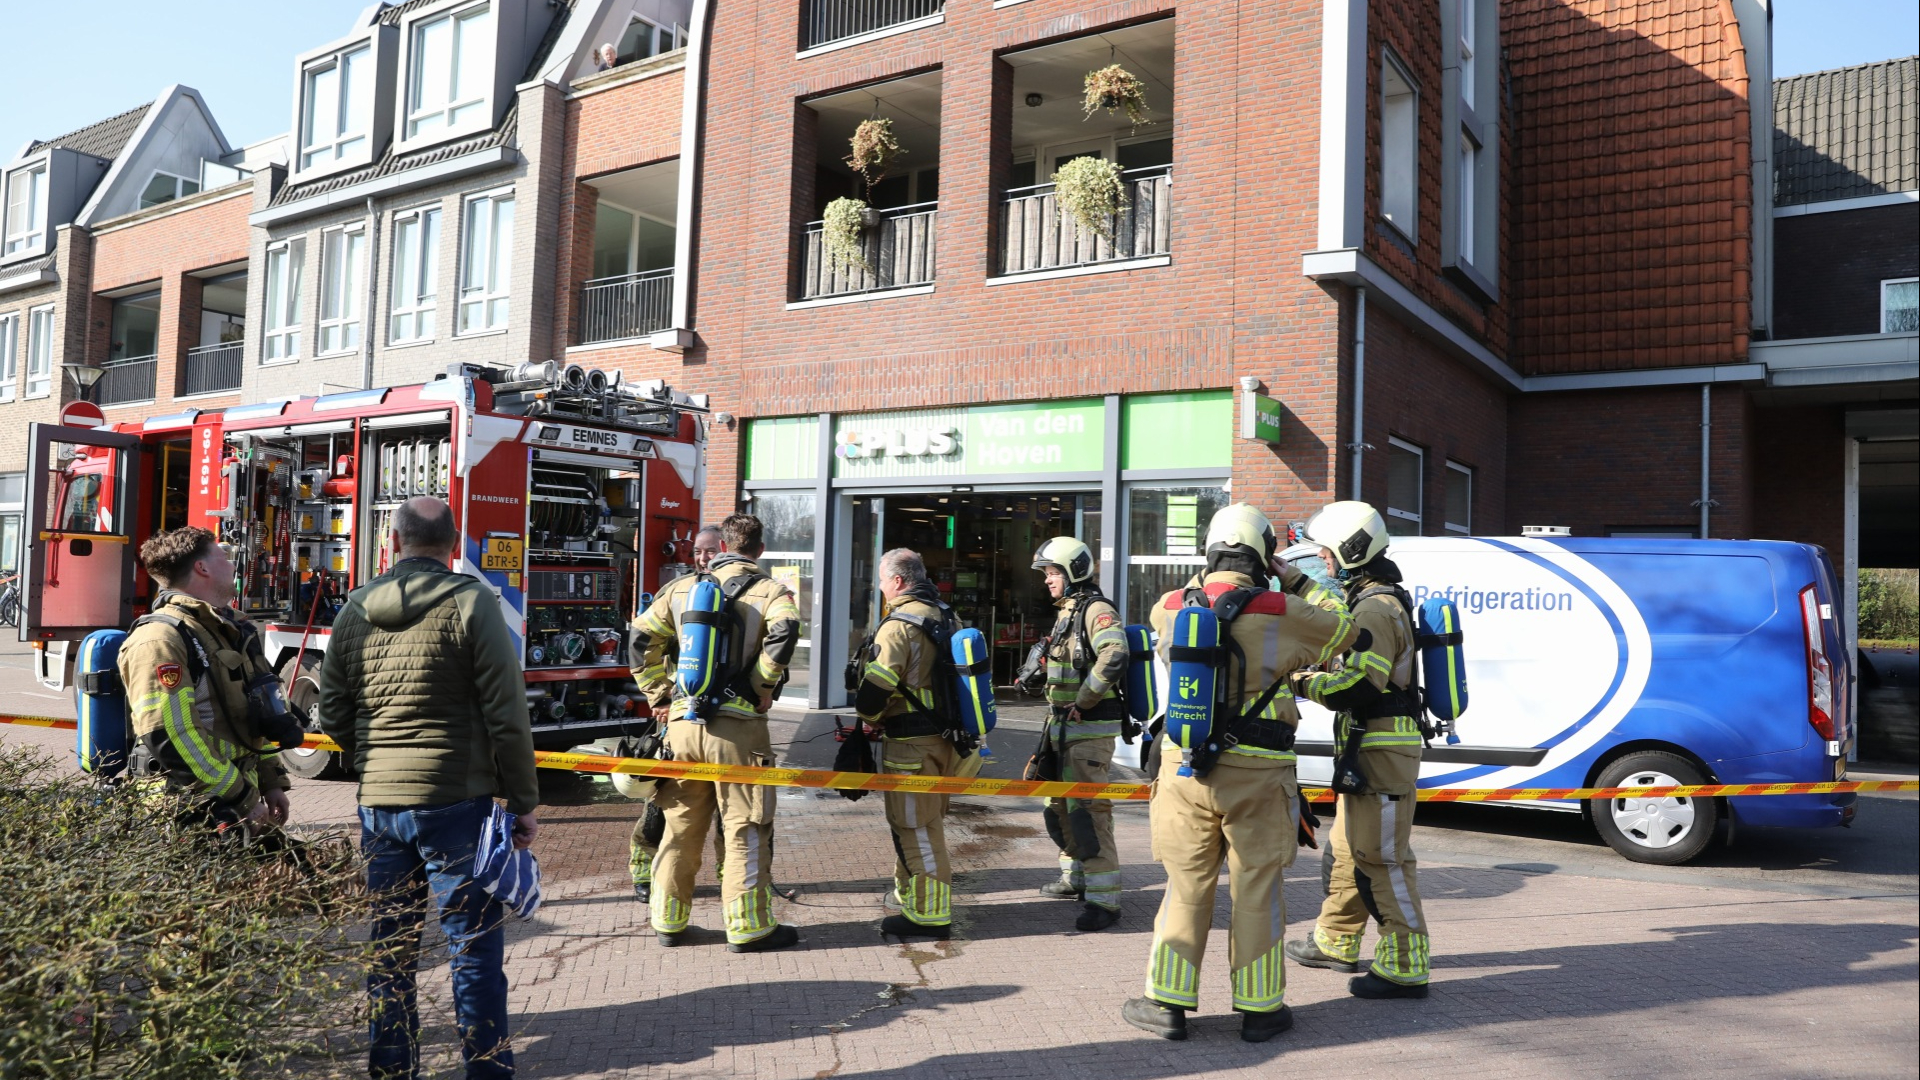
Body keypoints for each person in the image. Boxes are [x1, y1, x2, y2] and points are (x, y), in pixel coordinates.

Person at [318, 497, 540, 1080]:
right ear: (453, 544)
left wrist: (373, 758)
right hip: (456, 804)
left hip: (380, 807)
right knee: (472, 948)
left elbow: (333, 715)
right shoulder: (472, 604)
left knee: (390, 946)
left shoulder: (354, 610)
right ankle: (487, 1070)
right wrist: (522, 802)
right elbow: (507, 714)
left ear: (392, 543)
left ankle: (392, 1069)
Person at [1123, 504, 1358, 1044]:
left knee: (1185, 887)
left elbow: (1187, 607)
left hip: (1184, 769)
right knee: (1256, 889)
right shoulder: (1284, 609)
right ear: (1262, 555)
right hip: (1259, 770)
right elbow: (1345, 628)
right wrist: (1294, 576)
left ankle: (1167, 1003)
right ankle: (1260, 1009)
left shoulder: (1171, 605)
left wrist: (1209, 579)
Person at [630, 512, 803, 951]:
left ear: (721, 545)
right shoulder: (771, 591)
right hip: (739, 732)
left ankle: (668, 922)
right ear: (759, 550)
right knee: (745, 826)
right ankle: (748, 928)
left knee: (680, 824)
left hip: (683, 728)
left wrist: (661, 697)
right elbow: (785, 630)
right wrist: (760, 686)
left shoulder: (681, 589)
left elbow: (638, 638)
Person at [1285, 501, 1433, 999]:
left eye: (1328, 554)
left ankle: (1407, 964)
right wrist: (1294, 580)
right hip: (1366, 748)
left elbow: (1358, 685)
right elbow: (1332, 610)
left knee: (1383, 858)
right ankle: (1335, 942)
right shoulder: (1372, 596)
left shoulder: (1375, 606)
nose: (1324, 562)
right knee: (1348, 850)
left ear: (1350, 551)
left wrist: (1301, 681)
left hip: (1381, 751)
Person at [118, 527, 297, 834]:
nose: (232, 565)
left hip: (233, 805)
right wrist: (241, 796)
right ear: (202, 568)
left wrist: (271, 779)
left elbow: (253, 712)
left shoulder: (226, 629)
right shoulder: (159, 640)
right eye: (224, 557)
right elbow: (173, 736)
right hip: (186, 812)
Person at [851, 548, 975, 941]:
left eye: (884, 581)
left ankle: (930, 914)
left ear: (899, 582)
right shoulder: (946, 614)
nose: (881, 588)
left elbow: (878, 684)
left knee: (916, 827)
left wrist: (867, 719)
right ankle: (910, 896)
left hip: (910, 748)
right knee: (924, 822)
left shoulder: (898, 625)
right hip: (944, 743)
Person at [1030, 536, 1129, 932]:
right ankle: (1076, 876)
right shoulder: (1068, 611)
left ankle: (1105, 902)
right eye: (1047, 574)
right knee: (1058, 806)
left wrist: (1085, 699)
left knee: (1089, 814)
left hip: (1087, 730)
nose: (1047, 580)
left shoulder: (1096, 609)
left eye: (1052, 572)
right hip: (1062, 728)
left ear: (1073, 571)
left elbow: (1115, 653)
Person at [629, 524, 728, 904]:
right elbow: (640, 642)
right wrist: (659, 696)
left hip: (728, 718)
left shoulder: (747, 593)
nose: (704, 558)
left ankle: (729, 877)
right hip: (678, 717)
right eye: (699, 552)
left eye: (711, 551)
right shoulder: (678, 593)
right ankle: (643, 868)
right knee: (662, 801)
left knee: (729, 808)